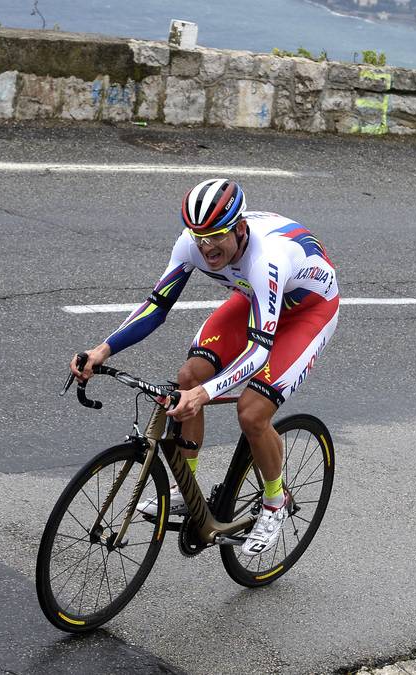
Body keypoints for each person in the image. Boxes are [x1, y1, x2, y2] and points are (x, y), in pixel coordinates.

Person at [70, 178, 339, 556]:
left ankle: (275, 503)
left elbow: (259, 350)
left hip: (309, 311)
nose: (206, 246)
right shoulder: (193, 243)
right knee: (187, 378)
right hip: (255, 299)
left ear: (240, 229)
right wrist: (103, 349)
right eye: (199, 236)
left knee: (252, 411)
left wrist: (205, 394)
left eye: (215, 236)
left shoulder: (267, 258)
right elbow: (156, 305)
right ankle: (186, 488)